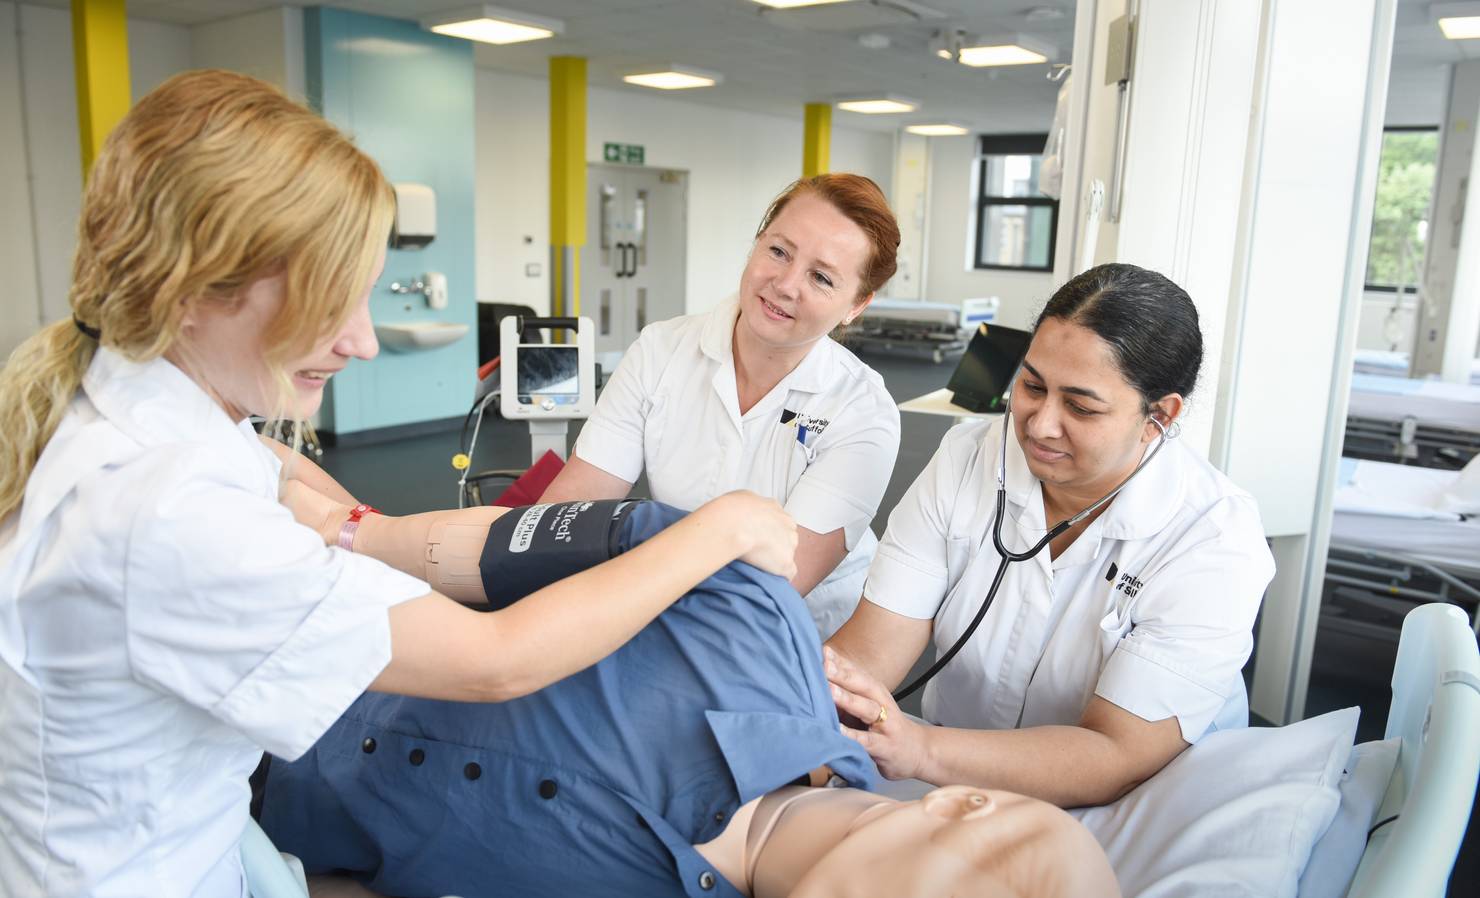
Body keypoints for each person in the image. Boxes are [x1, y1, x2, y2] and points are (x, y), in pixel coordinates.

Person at [0, 70, 797, 898]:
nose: (362, 342)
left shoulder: (132, 408)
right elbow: (497, 663)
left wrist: (360, 528)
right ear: (196, 287)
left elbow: (284, 479)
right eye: (332, 299)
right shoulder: (169, 512)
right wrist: (722, 527)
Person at [259, 499, 1121, 898]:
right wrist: (333, 522)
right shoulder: (751, 616)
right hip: (265, 598)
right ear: (967, 805)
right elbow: (475, 550)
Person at [825, 263, 1277, 809]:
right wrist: (797, 746)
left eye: (1081, 406)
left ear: (1158, 415)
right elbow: (874, 648)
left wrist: (921, 749)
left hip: (1133, 808)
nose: (1039, 424)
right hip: (949, 772)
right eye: (1032, 386)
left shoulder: (1214, 539)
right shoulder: (968, 460)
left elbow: (1116, 753)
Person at [538, 173, 903, 638]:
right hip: (660, 599)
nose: (786, 284)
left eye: (821, 277)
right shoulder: (660, 351)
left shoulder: (862, 411)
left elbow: (775, 587)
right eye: (778, 251)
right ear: (757, 243)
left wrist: (612, 599)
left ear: (857, 305)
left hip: (796, 635)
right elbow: (568, 510)